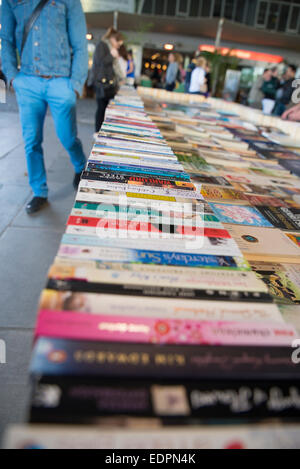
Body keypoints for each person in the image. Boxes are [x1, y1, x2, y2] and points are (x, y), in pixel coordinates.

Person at [0, 0, 88, 214]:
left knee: (67, 137)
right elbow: (6, 39)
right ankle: (39, 191)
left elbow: (79, 44)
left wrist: (75, 85)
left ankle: (79, 166)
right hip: (27, 81)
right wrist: (12, 77)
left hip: (61, 81)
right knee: (31, 141)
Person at [90, 27, 124, 133]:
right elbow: (101, 63)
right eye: (118, 43)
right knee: (101, 108)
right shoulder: (102, 45)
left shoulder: (108, 47)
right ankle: (97, 131)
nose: (118, 46)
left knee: (104, 108)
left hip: (107, 83)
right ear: (113, 39)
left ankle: (100, 130)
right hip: (101, 83)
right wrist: (112, 55)